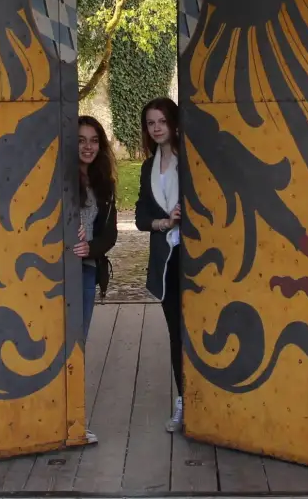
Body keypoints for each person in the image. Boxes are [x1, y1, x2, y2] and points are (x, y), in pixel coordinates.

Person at [134, 96, 185, 434]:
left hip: (193, 257)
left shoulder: (191, 161)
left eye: (161, 121)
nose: (156, 128)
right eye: (151, 123)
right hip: (165, 260)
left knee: (198, 329)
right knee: (175, 334)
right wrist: (163, 223)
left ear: (173, 123)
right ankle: (183, 400)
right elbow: (140, 217)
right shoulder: (146, 167)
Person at [73, 115, 119, 446]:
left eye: (94, 140)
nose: (88, 146)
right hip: (54, 272)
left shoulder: (105, 183)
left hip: (87, 269)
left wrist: (91, 246)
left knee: (78, 345)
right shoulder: (60, 179)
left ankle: (75, 421)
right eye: (81, 140)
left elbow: (111, 233)